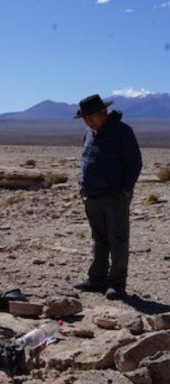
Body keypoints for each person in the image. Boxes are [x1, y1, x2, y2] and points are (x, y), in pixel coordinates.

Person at [73, 94, 142, 300]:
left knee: (118, 239)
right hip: (91, 194)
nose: (88, 121)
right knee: (99, 237)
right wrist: (82, 183)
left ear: (104, 113)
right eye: (85, 118)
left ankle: (117, 283)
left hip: (114, 195)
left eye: (91, 117)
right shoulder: (89, 133)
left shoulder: (122, 132)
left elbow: (134, 163)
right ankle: (97, 278)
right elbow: (86, 159)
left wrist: (124, 189)